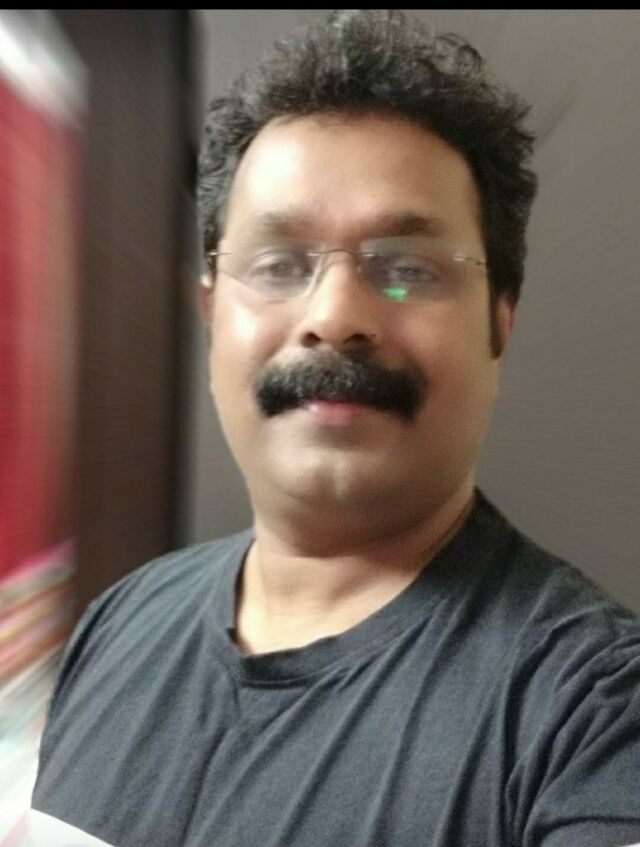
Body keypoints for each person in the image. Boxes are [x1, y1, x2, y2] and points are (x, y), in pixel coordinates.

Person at [32, 10, 640, 847]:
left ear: (500, 320)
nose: (334, 315)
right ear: (211, 313)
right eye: (279, 265)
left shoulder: (595, 712)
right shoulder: (119, 622)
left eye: (406, 268)